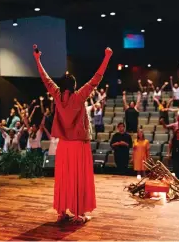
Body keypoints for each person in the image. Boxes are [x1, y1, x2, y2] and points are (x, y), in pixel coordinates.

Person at [33, 44, 113, 224]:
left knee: (63, 178)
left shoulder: (56, 95)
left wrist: (37, 60)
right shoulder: (79, 97)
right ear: (74, 85)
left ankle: (62, 212)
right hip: (78, 144)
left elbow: (45, 79)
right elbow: (96, 79)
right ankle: (78, 213)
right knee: (78, 178)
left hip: (63, 145)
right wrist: (107, 57)